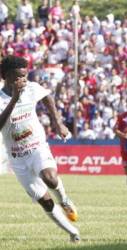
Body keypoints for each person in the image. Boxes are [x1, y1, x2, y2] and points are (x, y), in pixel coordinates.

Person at [0, 56, 80, 242]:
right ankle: (73, 232)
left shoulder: (32, 88)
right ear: (5, 76)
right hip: (17, 158)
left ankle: (65, 199)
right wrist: (14, 99)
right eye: (19, 77)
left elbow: (47, 98)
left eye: (25, 75)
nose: (24, 80)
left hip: (37, 146)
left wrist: (58, 123)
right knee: (44, 200)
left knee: (50, 178)